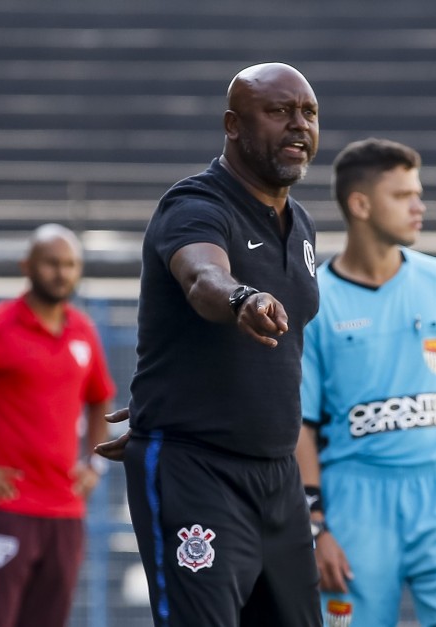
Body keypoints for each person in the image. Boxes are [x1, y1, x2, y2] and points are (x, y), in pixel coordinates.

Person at [110, 62, 322, 626]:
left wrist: (171, 392)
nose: (298, 125)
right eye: (278, 112)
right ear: (233, 124)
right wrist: (242, 300)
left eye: (308, 112)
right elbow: (204, 278)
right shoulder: (196, 205)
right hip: (198, 473)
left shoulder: (299, 223)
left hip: (277, 478)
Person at [295, 137, 436, 627]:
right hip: (354, 505)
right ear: (360, 204)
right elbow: (301, 426)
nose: (419, 207)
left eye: (418, 193)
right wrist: (317, 527)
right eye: (402, 196)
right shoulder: (314, 303)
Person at [0, 223, 116, 627]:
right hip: (5, 506)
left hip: (65, 510)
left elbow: (101, 398)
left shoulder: (82, 329)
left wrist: (94, 463)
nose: (62, 273)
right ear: (26, 266)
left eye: (70, 264)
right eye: (52, 263)